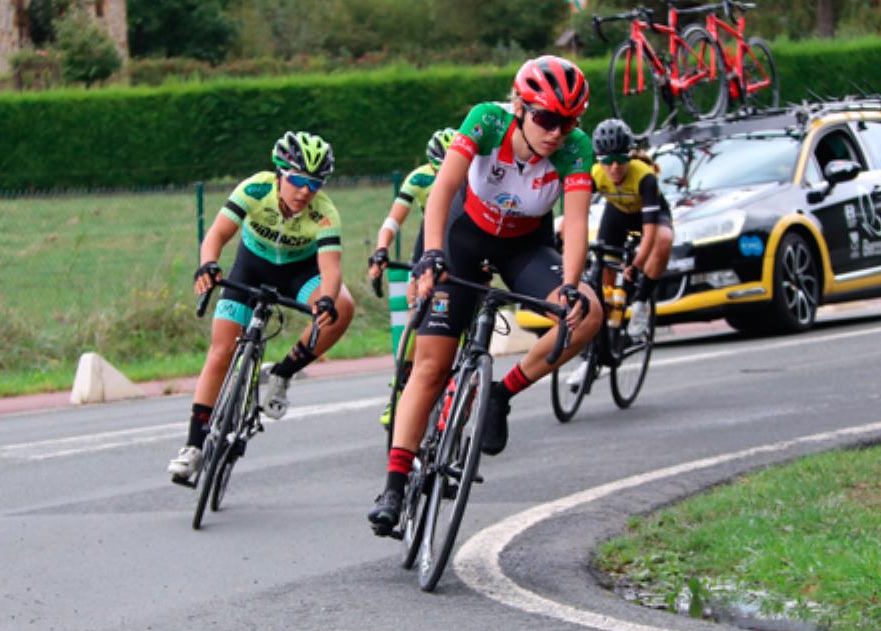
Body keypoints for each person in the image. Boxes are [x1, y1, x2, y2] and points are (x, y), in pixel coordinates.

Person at [366, 55, 605, 535]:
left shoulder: (575, 149)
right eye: (546, 118)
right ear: (520, 107)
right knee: (431, 365)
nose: (557, 131)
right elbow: (443, 188)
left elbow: (575, 221)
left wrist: (572, 284)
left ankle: (499, 394)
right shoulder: (486, 119)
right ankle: (394, 484)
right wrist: (431, 254)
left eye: (569, 121)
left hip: (524, 246)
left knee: (589, 313)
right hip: (463, 234)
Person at [167, 131, 355, 484]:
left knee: (342, 306)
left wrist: (326, 300)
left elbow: (331, 269)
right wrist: (209, 264)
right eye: (297, 181)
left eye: (314, 184)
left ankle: (283, 372)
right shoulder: (254, 190)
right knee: (222, 349)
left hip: (300, 274)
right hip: (251, 268)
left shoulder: (325, 212)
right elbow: (217, 235)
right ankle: (193, 446)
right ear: (280, 174)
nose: (305, 191)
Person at [368, 127, 457, 427]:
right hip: (430, 242)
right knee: (418, 312)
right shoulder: (420, 178)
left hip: (463, 241)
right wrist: (381, 247)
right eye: (439, 168)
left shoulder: (475, 174)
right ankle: (400, 385)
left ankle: (462, 379)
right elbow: (394, 220)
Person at [588, 118, 674, 340]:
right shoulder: (595, 173)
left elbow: (651, 231)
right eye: (608, 160)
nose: (614, 167)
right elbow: (575, 213)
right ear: (599, 160)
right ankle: (600, 344)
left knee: (663, 240)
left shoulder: (644, 175)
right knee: (604, 275)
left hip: (647, 218)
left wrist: (635, 265)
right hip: (617, 215)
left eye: (620, 159)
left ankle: (641, 302)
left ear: (630, 155)